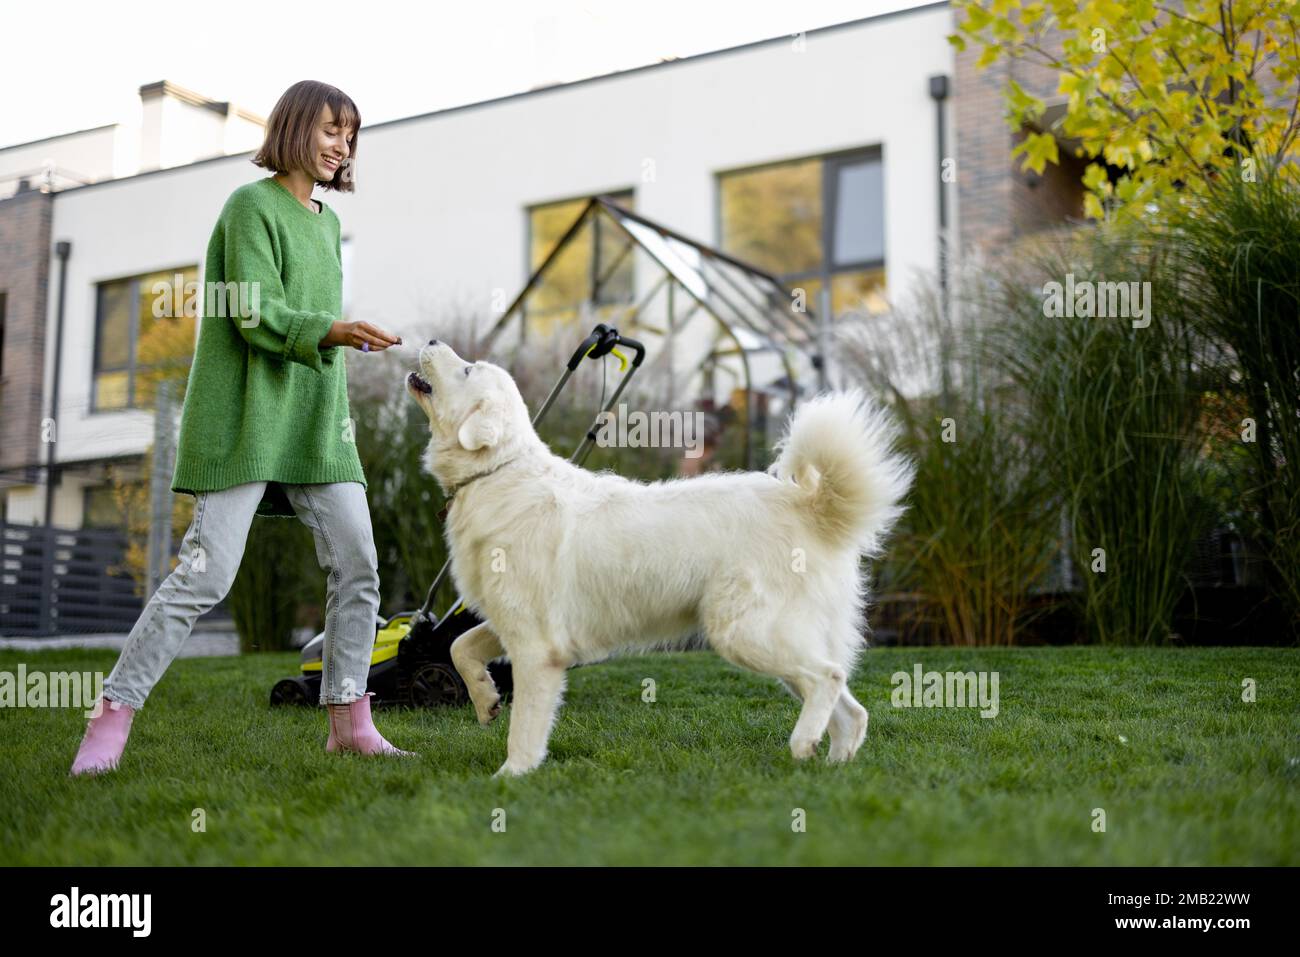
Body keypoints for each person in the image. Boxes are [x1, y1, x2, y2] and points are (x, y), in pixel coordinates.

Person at [71, 80, 413, 776]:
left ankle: (350, 721)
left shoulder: (324, 223)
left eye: (350, 134)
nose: (341, 145)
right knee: (206, 575)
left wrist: (336, 338)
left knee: (359, 565)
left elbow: (308, 325)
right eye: (330, 129)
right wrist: (338, 330)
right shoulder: (248, 208)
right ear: (293, 130)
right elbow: (254, 313)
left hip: (317, 424)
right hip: (248, 419)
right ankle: (111, 716)